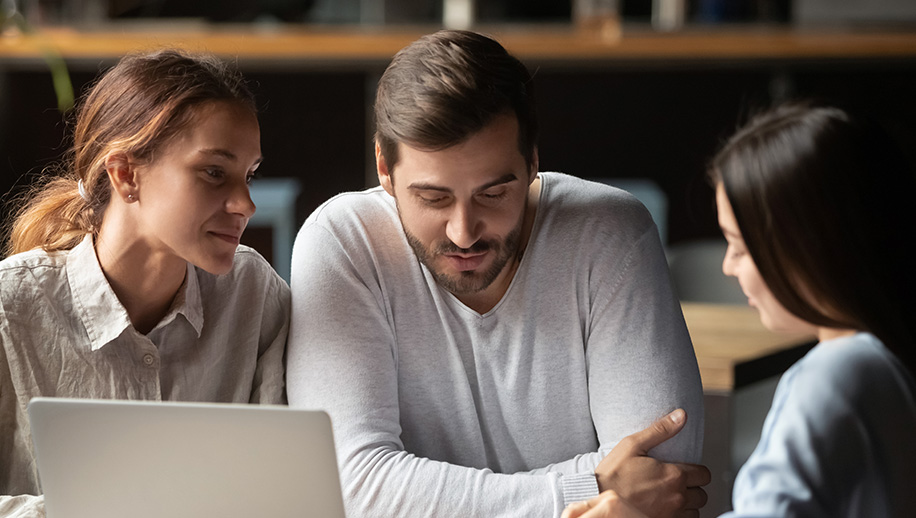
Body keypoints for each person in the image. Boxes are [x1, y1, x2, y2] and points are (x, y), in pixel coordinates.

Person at [286, 29, 707, 518]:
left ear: (532, 161)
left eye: (493, 194)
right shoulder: (343, 242)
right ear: (384, 168)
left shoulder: (610, 232)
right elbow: (352, 487)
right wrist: (581, 489)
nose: (464, 233)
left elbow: (662, 474)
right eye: (433, 198)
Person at [561, 103, 916, 518]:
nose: (728, 266)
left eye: (741, 247)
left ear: (809, 247)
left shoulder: (831, 379)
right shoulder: (885, 363)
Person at [0, 49, 289, 517]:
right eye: (214, 173)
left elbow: (282, 485)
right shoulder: (10, 309)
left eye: (249, 176)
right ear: (125, 174)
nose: (245, 204)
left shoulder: (254, 294)